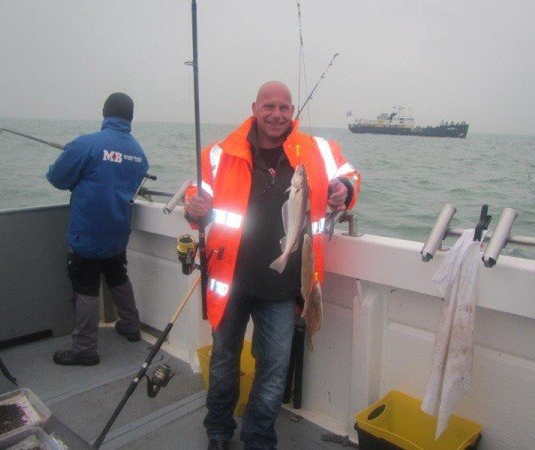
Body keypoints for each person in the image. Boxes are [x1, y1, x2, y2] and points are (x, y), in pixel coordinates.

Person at [185, 81, 361, 450]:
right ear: (254, 107)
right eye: (269, 106)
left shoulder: (316, 151)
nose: (276, 114)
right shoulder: (217, 154)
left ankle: (259, 439)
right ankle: (217, 431)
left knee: (274, 368)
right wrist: (193, 210)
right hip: (229, 280)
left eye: (284, 107)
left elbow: (350, 175)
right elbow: (197, 204)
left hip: (282, 288)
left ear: (292, 110)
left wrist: (344, 188)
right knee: (223, 362)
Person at [47, 92, 149, 366]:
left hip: (87, 232)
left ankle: (84, 349)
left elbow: (57, 178)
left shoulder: (86, 144)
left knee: (86, 287)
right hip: (117, 231)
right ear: (130, 117)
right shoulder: (139, 153)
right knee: (118, 276)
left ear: (105, 113)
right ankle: (130, 326)